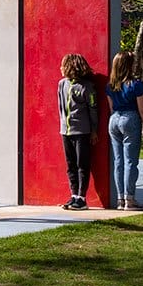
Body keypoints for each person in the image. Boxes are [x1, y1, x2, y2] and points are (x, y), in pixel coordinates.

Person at [105, 51, 143, 210]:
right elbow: (142, 109)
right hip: (130, 117)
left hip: (114, 119)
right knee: (130, 161)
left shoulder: (110, 85)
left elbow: (111, 107)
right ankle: (130, 198)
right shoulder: (136, 84)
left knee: (118, 161)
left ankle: (120, 198)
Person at [57, 53, 99, 210]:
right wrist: (63, 125)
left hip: (82, 131)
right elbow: (60, 106)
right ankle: (73, 195)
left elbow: (93, 109)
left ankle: (82, 197)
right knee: (70, 164)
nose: (60, 68)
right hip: (66, 131)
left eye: (63, 65)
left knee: (82, 164)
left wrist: (94, 130)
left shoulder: (87, 87)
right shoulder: (62, 84)